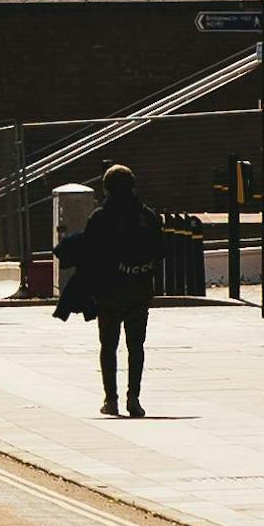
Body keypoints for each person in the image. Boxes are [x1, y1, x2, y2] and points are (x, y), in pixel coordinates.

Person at [69, 162, 162, 418]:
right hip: (139, 290)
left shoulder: (100, 218)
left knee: (108, 346)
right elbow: (160, 252)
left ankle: (111, 399)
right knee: (136, 346)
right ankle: (134, 397)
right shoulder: (147, 216)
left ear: (106, 189)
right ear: (132, 186)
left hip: (108, 292)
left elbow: (88, 257)